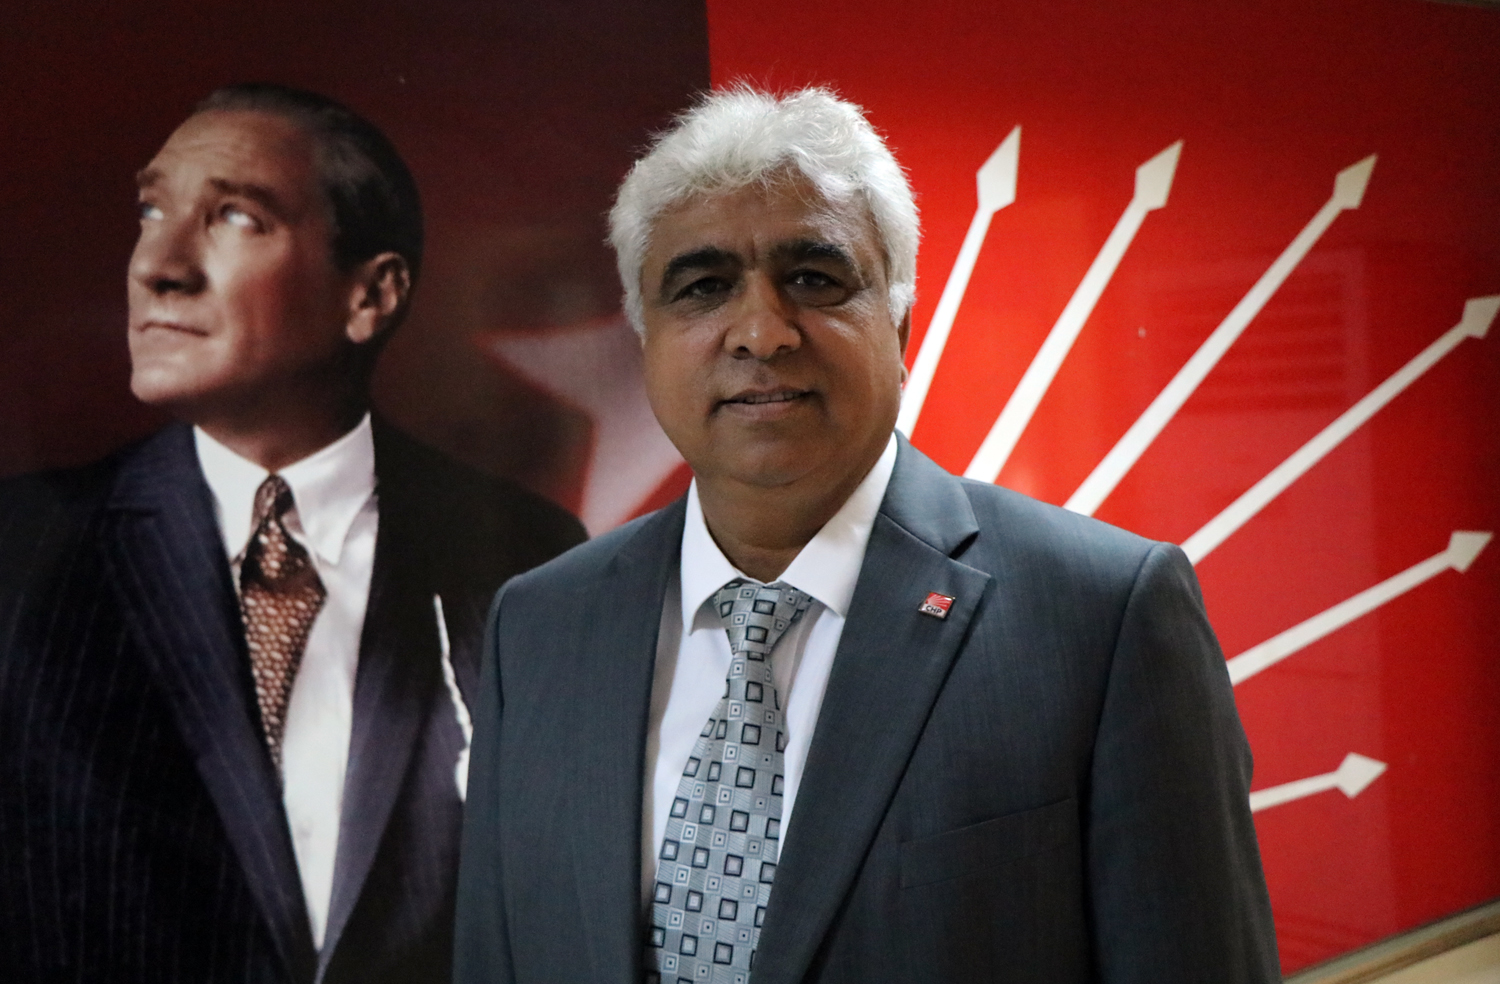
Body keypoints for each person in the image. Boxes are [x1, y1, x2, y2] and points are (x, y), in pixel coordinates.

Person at [454, 86, 1280, 984]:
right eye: (703, 287)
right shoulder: (537, 626)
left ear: (900, 322)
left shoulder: (1105, 618)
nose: (762, 332)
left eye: (814, 278)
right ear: (645, 338)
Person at [0, 83, 585, 984]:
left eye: (236, 217)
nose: (157, 265)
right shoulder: (20, 552)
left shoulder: (527, 556)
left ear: (371, 295)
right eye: (151, 210)